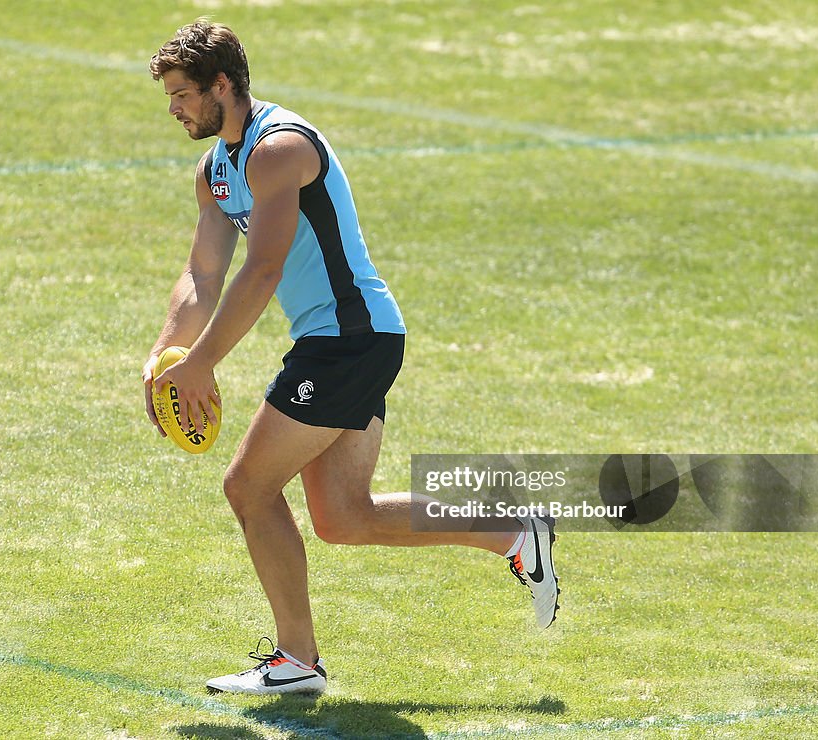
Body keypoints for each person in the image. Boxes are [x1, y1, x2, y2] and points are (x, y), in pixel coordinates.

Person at [145, 20, 560, 695]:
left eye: (184, 93)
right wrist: (169, 351)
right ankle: (513, 531)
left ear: (223, 84)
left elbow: (262, 270)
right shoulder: (217, 169)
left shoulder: (278, 150)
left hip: (349, 339)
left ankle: (296, 662)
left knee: (247, 487)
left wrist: (203, 365)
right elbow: (203, 272)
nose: (175, 108)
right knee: (344, 515)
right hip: (345, 341)